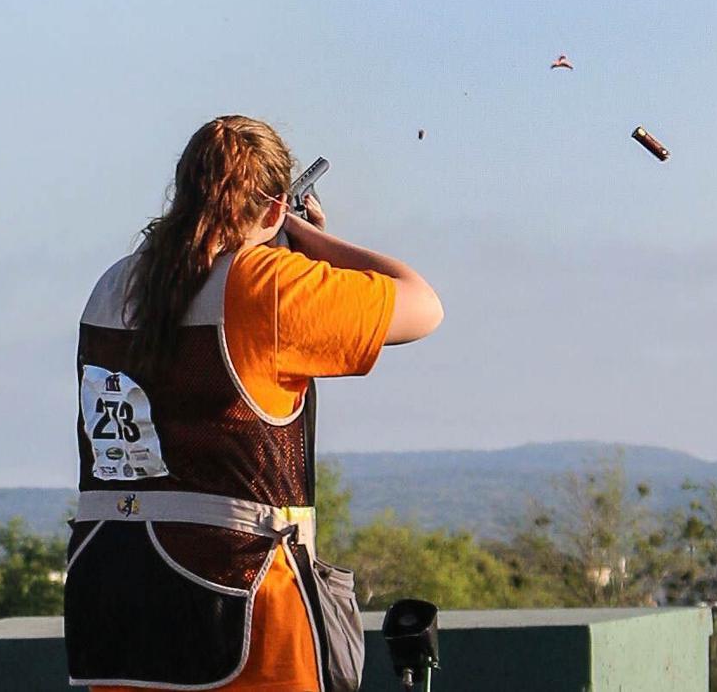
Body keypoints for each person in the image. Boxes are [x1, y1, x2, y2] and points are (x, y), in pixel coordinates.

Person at [64, 115, 443, 692]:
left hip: (117, 608)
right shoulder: (269, 285)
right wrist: (307, 235)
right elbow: (423, 305)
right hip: (246, 612)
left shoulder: (113, 285)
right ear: (271, 210)